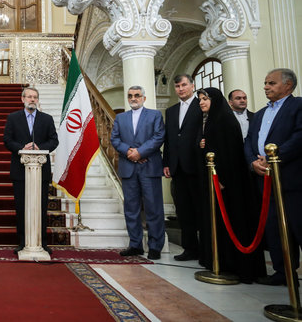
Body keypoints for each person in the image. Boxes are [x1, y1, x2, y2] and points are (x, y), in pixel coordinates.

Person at [196, 87, 266, 283]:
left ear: (215, 100)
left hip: (228, 183)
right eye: (200, 99)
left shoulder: (224, 120)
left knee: (233, 220)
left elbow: (229, 154)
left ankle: (236, 266)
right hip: (217, 181)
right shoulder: (213, 120)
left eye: (205, 99)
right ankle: (222, 262)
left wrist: (222, 180)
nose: (201, 102)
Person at [245, 69, 302, 286]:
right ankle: (283, 272)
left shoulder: (298, 106)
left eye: (272, 83)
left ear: (288, 85)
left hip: (291, 180)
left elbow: (300, 136)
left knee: (297, 225)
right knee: (273, 227)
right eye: (265, 83)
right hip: (265, 181)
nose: (266, 87)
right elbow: (250, 140)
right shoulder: (259, 114)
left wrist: (274, 157)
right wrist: (253, 161)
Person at [111, 86, 165, 260]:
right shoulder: (120, 117)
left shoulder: (154, 115)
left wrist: (140, 152)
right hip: (129, 167)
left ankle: (155, 246)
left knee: (153, 208)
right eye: (130, 96)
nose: (133, 98)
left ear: (144, 97)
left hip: (149, 166)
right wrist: (130, 152)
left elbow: (158, 137)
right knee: (131, 208)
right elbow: (115, 139)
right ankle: (135, 245)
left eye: (137, 95)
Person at [3, 86, 58, 255]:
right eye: (29, 97)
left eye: (35, 97)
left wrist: (39, 147)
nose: (32, 99)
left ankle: (42, 241)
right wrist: (22, 147)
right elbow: (7, 140)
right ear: (22, 99)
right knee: (21, 207)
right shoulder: (13, 118)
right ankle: (23, 241)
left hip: (41, 170)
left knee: (41, 206)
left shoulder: (47, 119)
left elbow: (54, 140)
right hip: (20, 171)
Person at [163, 74, 203, 261]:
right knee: (183, 211)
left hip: (197, 168)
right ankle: (190, 249)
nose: (181, 89)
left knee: (200, 210)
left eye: (184, 85)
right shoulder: (171, 111)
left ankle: (207, 250)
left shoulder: (201, 106)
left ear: (192, 86)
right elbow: (169, 140)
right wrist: (166, 163)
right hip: (177, 168)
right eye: (177, 86)